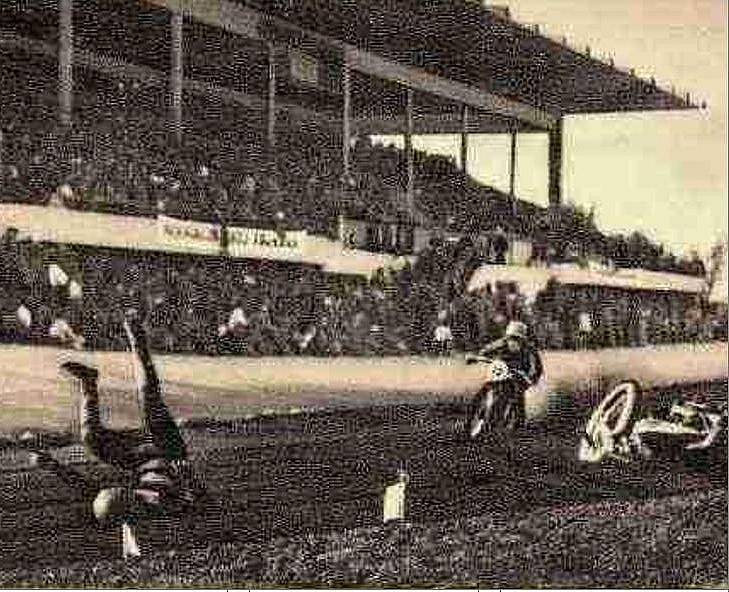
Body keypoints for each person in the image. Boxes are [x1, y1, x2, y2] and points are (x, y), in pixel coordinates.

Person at [29, 311, 200, 528]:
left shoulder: (126, 502)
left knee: (91, 438)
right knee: (150, 400)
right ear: (127, 502)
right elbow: (205, 507)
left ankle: (89, 383)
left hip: (138, 459)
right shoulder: (164, 508)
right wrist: (188, 478)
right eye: (117, 491)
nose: (116, 487)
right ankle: (138, 343)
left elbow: (87, 488)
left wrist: (54, 466)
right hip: (169, 451)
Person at [472, 320, 544, 428]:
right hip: (501, 370)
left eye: (517, 338)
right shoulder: (501, 343)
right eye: (511, 337)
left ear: (523, 339)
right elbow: (486, 351)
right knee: (490, 383)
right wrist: (477, 357)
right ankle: (480, 404)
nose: (513, 341)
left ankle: (518, 421)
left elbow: (538, 367)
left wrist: (533, 379)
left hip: (520, 372)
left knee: (519, 394)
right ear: (507, 336)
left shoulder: (529, 349)